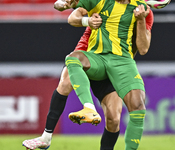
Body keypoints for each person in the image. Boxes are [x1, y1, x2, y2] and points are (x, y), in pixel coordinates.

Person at [22, 0, 153, 150]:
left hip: (117, 63)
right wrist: (82, 17)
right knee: (65, 81)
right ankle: (46, 136)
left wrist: (141, 19)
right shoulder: (100, 2)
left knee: (114, 119)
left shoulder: (142, 10)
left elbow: (142, 48)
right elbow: (69, 11)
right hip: (89, 54)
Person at [65, 0, 152, 150]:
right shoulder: (97, 0)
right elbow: (72, 18)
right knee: (73, 58)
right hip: (97, 57)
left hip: (123, 61)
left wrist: (140, 20)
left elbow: (143, 49)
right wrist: (87, 21)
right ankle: (89, 108)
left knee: (137, 107)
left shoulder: (141, 7)